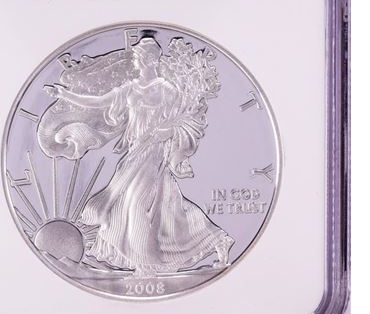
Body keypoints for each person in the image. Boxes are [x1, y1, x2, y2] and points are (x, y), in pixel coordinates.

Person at [44, 37, 233, 276]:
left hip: (155, 152)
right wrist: (65, 95)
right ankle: (217, 240)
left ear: (150, 59)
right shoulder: (130, 89)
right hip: (135, 152)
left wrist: (168, 130)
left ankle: (146, 262)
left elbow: (184, 120)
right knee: (163, 208)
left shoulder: (168, 91)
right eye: (136, 57)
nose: (135, 61)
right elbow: (97, 102)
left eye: (138, 57)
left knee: (136, 204)